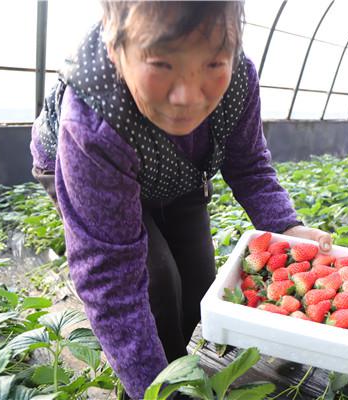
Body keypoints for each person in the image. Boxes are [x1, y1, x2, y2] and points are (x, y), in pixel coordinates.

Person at [30, 2, 332, 398]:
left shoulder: (239, 79)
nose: (187, 97)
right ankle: (156, 379)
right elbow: (112, 281)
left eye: (212, 64)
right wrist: (154, 390)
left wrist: (285, 226)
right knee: (155, 287)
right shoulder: (92, 123)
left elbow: (249, 164)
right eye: (160, 64)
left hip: (182, 173)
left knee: (198, 287)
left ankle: (176, 362)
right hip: (96, 172)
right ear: (114, 44)